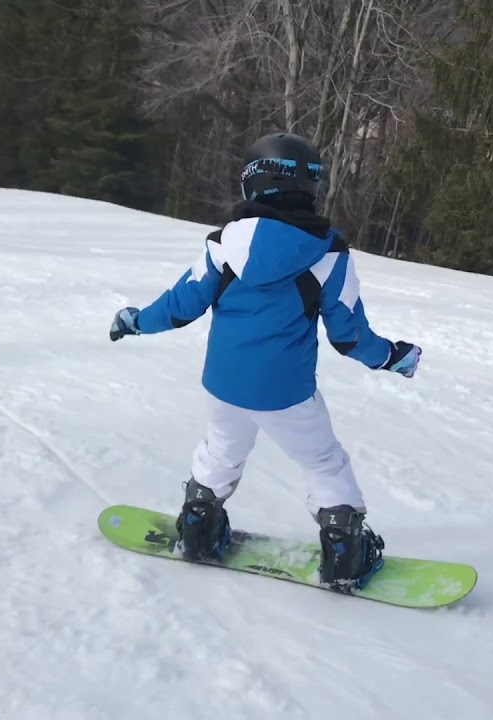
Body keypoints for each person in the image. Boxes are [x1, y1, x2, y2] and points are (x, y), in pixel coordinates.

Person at [108, 132, 421, 592]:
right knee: (323, 463)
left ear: (251, 186)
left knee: (220, 449)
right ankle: (344, 551)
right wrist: (392, 357)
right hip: (285, 391)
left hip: (224, 383)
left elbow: (178, 306)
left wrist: (136, 321)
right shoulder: (329, 255)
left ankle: (198, 526)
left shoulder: (222, 246)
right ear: (311, 186)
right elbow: (349, 336)